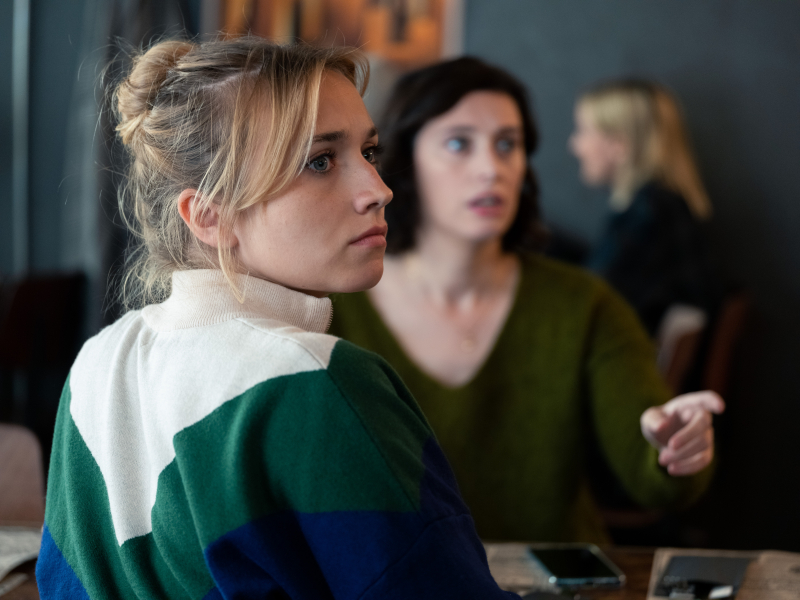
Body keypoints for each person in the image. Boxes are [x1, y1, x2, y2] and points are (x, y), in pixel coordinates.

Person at [36, 38, 517, 599]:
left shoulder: (96, 362)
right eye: (320, 161)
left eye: (369, 151)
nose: (379, 190)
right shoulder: (312, 377)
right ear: (210, 216)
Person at [328, 57, 724, 543]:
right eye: (459, 143)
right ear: (406, 159)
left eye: (507, 145)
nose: (491, 169)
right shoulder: (333, 309)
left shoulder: (583, 304)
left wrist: (675, 445)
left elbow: (652, 474)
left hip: (558, 578)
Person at [570, 79, 717, 337]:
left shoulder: (647, 216)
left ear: (618, 146)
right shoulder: (661, 206)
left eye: (583, 131)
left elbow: (589, 300)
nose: (574, 145)